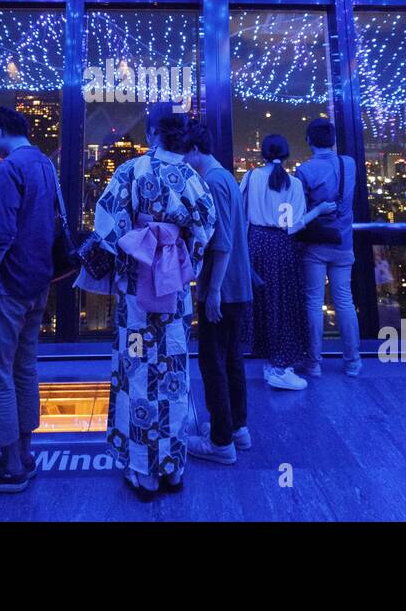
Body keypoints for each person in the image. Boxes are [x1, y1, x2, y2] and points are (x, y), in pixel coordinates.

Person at [93, 105, 215, 499]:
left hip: (137, 289)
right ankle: (173, 467)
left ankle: (144, 473)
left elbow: (108, 227)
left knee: (137, 374)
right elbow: (205, 230)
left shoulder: (131, 171)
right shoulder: (191, 177)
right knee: (174, 373)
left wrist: (138, 248)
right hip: (174, 287)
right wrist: (179, 254)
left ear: (151, 133)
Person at [0, 107, 62, 493]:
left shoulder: (8, 168)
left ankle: (10, 465)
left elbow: (2, 234)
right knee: (25, 368)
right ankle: (25, 452)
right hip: (40, 282)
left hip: (9, 285)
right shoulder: (45, 164)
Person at [242, 134, 335, 391]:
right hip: (282, 246)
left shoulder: (251, 177)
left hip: (256, 244)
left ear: (262, 154)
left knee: (261, 302)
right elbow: (293, 226)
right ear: (286, 155)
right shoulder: (292, 183)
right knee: (283, 304)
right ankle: (279, 366)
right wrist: (319, 210)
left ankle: (270, 362)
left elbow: (242, 214)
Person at [183, 122, 252, 465]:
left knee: (213, 362)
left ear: (195, 150)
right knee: (230, 360)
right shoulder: (228, 177)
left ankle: (221, 441)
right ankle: (237, 427)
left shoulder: (210, 182)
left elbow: (221, 242)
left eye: (185, 152)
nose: (183, 159)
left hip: (223, 288)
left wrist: (212, 292)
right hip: (238, 285)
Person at [294, 119, 361, 378]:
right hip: (344, 242)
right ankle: (353, 360)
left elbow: (300, 208)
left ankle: (313, 363)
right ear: (333, 140)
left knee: (313, 302)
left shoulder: (305, 171)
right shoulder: (350, 164)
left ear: (309, 140)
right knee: (345, 301)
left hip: (316, 244)